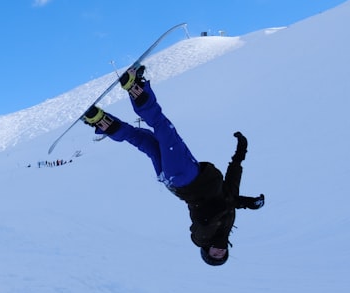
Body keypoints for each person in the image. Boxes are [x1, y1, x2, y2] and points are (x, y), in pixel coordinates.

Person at [82, 66, 264, 266]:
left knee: (162, 126)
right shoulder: (227, 226)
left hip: (186, 177)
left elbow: (205, 218)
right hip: (177, 181)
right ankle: (100, 120)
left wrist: (238, 205)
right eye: (222, 254)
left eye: (214, 254)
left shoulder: (201, 239)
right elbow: (230, 191)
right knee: (144, 140)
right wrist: (240, 156)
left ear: (207, 251)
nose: (219, 251)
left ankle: (134, 87)